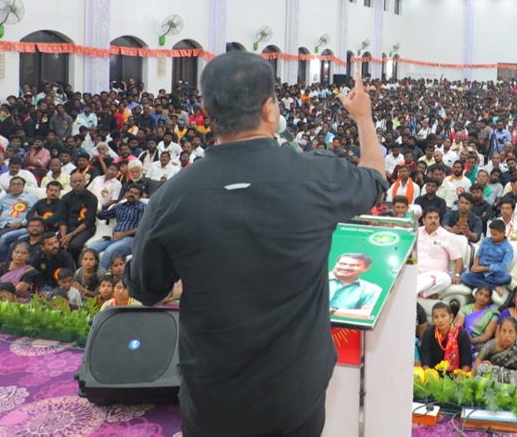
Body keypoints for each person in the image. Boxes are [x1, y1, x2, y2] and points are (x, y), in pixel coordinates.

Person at [127, 56, 388, 437]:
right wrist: (363, 117)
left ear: (206, 112)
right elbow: (375, 177)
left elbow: (146, 289)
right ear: (269, 109)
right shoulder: (320, 176)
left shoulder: (171, 197)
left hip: (213, 393)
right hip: (294, 392)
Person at [89, 183, 146, 270]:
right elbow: (103, 215)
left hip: (131, 239)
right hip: (114, 238)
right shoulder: (119, 206)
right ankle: (84, 274)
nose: (132, 194)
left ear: (140, 197)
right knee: (91, 248)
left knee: (110, 250)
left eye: (135, 194)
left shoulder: (142, 207)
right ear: (127, 193)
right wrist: (93, 210)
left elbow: (143, 227)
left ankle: (100, 275)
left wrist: (123, 234)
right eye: (130, 192)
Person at [473, 316, 517, 389]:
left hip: (513, 379)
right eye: (504, 331)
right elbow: (475, 368)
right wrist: (490, 369)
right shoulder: (490, 346)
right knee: (481, 368)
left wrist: (493, 367)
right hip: (494, 376)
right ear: (499, 332)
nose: (506, 336)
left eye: (511, 332)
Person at [416, 207, 463, 298]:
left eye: (436, 218)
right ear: (423, 220)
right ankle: (421, 292)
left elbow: (458, 259)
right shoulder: (417, 232)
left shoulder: (447, 236)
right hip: (416, 273)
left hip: (436, 276)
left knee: (446, 279)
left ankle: (417, 292)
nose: (433, 220)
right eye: (430, 218)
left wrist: (457, 275)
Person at [460, 219, 514, 295]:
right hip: (480, 273)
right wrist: (475, 265)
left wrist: (484, 268)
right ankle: (494, 287)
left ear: (503, 233)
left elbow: (503, 267)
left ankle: (483, 284)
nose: (492, 236)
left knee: (507, 278)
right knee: (464, 277)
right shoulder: (486, 241)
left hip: (495, 275)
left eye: (495, 234)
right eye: (491, 233)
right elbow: (478, 255)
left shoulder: (508, 248)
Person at [419, 302, 473, 373]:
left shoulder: (461, 334)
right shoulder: (428, 333)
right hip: (433, 374)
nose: (440, 320)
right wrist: (432, 377)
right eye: (436, 317)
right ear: (433, 321)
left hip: (456, 374)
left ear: (451, 317)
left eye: (443, 316)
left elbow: (466, 364)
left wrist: (459, 378)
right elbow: (425, 363)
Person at [57, 172, 99, 261]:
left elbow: (89, 221)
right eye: (75, 181)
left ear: (85, 182)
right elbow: (62, 219)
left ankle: (72, 265)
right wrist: (64, 236)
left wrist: (72, 235)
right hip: (68, 227)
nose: (78, 183)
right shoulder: (65, 198)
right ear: (70, 184)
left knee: (73, 246)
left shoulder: (92, 198)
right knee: (57, 244)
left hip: (85, 228)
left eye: (80, 181)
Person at [328, 253, 381, 318]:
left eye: (354, 265)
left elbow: (369, 315)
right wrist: (354, 313)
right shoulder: (317, 279)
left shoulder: (372, 289)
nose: (346, 267)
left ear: (366, 268)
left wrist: (331, 311)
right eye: (342, 264)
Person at [454, 285, 499, 351]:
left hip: (477, 343)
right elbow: (458, 327)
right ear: (475, 295)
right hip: (462, 337)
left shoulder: (493, 314)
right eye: (480, 294)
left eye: (486, 296)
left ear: (489, 300)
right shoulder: (465, 309)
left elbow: (487, 335)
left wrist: (472, 340)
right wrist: (465, 337)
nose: (482, 298)